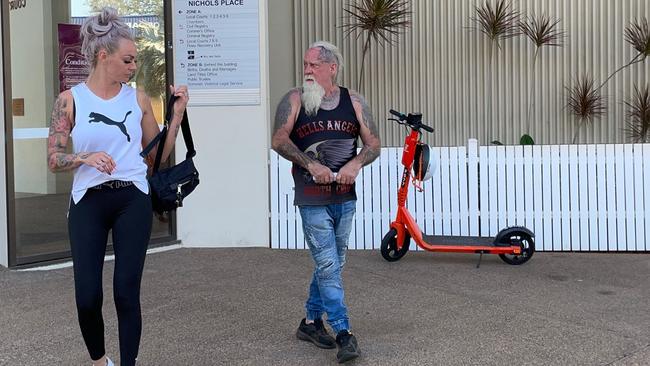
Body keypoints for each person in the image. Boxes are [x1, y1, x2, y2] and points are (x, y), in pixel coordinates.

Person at [47, 7, 189, 366]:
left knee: (126, 292)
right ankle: (99, 360)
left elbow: (157, 158)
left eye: (136, 60)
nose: (133, 67)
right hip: (88, 200)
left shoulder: (138, 99)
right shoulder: (70, 100)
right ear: (103, 56)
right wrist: (84, 157)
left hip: (132, 198)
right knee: (87, 296)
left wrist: (178, 117)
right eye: (128, 60)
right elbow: (53, 158)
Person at [271, 40, 381, 363]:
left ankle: (310, 322)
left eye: (313, 65)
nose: (306, 70)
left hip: (344, 198)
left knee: (333, 262)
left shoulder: (354, 102)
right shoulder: (294, 100)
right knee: (329, 264)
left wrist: (355, 164)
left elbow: (373, 144)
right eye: (305, 65)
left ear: (331, 68)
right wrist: (310, 164)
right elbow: (278, 139)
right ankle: (344, 332)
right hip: (311, 197)